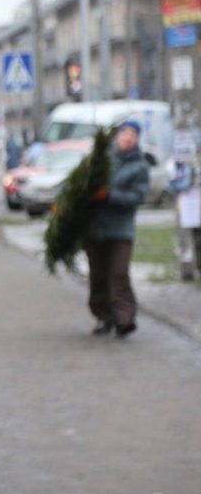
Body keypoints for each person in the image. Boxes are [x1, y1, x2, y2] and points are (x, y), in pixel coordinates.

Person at [86, 121, 150, 338]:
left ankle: (125, 318)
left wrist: (109, 196)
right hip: (95, 228)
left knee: (119, 273)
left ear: (137, 139)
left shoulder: (140, 167)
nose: (129, 138)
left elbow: (136, 197)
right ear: (117, 136)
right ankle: (104, 316)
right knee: (98, 275)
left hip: (121, 230)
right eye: (125, 133)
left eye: (133, 134)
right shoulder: (101, 160)